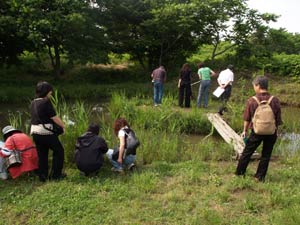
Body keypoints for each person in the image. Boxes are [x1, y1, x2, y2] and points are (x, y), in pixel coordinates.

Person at [235, 76, 282, 182]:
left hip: (256, 131)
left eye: (254, 86)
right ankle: (259, 177)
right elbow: (278, 118)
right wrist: (276, 130)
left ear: (258, 85)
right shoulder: (274, 100)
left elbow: (247, 118)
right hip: (271, 131)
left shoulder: (252, 100)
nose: (254, 88)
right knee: (266, 154)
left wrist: (244, 130)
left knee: (247, 152)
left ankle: (239, 173)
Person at [30, 81, 66, 182]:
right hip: (46, 132)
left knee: (42, 154)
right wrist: (63, 126)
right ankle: (55, 175)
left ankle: (43, 176)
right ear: (46, 91)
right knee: (59, 151)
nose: (51, 93)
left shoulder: (33, 102)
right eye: (50, 91)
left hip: (35, 132)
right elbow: (54, 117)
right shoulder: (46, 102)